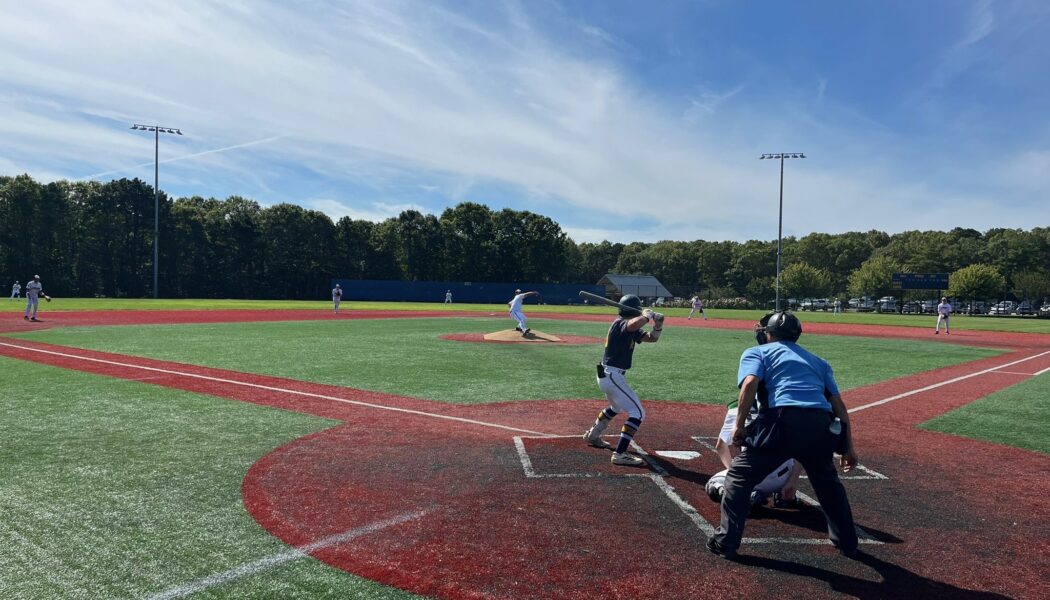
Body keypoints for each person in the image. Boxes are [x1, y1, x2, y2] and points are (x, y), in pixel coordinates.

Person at [707, 311, 859, 560]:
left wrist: (740, 425)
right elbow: (839, 406)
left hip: (781, 421)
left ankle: (726, 541)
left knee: (738, 477)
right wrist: (848, 447)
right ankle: (847, 542)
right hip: (820, 425)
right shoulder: (818, 361)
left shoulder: (757, 352)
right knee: (828, 484)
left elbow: (750, 383)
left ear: (769, 333)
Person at [583, 295, 664, 466]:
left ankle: (593, 435)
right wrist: (647, 316)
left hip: (609, 375)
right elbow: (632, 325)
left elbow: (652, 338)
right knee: (638, 413)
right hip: (612, 375)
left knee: (616, 407)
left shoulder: (630, 329)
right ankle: (620, 454)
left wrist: (658, 324)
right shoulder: (620, 324)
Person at [709, 399, 804, 509]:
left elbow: (720, 446)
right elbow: (801, 450)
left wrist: (734, 472)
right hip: (783, 478)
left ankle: (748, 497)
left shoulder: (736, 408)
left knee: (713, 484)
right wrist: (792, 481)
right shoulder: (788, 405)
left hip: (750, 476)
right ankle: (781, 495)